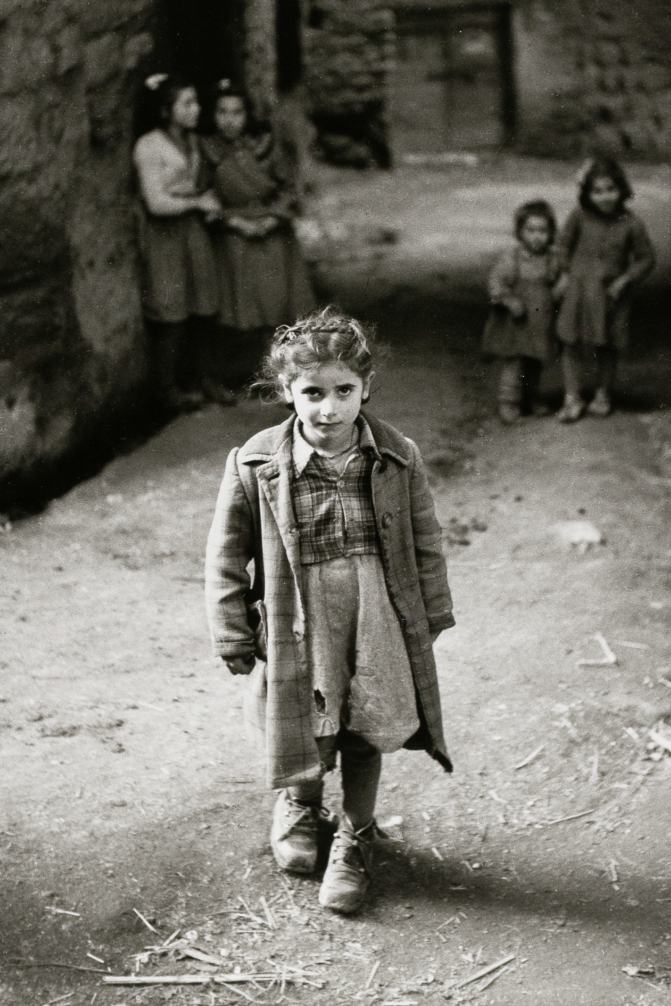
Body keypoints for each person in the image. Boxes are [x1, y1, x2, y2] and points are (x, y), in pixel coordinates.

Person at [204, 307, 454, 915]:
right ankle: (300, 801)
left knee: (366, 720)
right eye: (312, 392)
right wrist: (232, 630)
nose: (329, 409)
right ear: (286, 391)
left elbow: (426, 540)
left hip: (375, 615)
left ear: (365, 387)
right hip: (301, 615)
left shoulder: (396, 457)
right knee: (303, 720)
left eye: (344, 391)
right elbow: (225, 555)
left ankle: (355, 834)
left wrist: (431, 615)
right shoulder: (255, 463)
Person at [200, 81, 316, 386]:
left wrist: (271, 219)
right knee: (237, 306)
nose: (230, 120)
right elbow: (202, 195)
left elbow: (289, 188)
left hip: (271, 234)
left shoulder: (266, 145)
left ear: (247, 115)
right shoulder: (205, 150)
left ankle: (281, 375)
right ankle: (230, 375)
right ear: (212, 115)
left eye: (237, 112)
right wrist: (232, 221)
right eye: (222, 112)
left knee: (275, 303)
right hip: (232, 236)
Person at [132, 75, 235, 413]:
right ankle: (167, 389)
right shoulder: (149, 146)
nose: (196, 109)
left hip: (192, 230)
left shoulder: (195, 143)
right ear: (166, 111)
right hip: (165, 233)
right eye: (187, 103)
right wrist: (196, 202)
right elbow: (156, 203)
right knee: (171, 310)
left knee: (205, 305)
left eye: (196, 102)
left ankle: (205, 378)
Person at [554, 157, 656, 422]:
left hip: (610, 294)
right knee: (570, 343)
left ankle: (603, 393)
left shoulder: (631, 223)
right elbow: (563, 246)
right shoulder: (579, 216)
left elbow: (646, 258)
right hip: (578, 290)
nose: (604, 197)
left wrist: (625, 279)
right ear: (587, 193)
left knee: (607, 345)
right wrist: (564, 272)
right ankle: (572, 397)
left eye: (610, 189)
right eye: (597, 191)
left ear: (622, 189)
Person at [481, 200, 566, 424]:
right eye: (531, 230)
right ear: (519, 232)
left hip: (540, 321)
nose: (537, 236)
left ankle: (530, 398)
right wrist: (509, 300)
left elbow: (563, 276)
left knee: (536, 362)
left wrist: (560, 289)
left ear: (552, 233)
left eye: (543, 231)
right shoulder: (513, 258)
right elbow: (496, 283)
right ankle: (508, 402)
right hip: (518, 322)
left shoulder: (552, 258)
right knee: (515, 365)